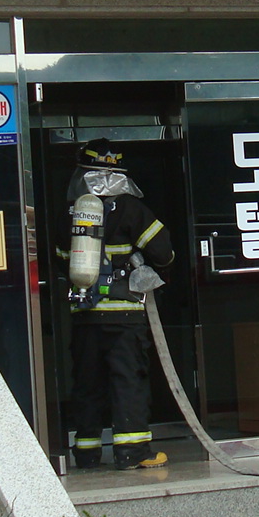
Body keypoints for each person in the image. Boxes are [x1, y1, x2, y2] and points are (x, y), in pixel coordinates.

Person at [57, 140, 174, 471]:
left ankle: (86, 453)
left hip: (84, 313)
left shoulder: (69, 213)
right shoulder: (130, 209)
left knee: (87, 383)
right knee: (127, 380)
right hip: (124, 315)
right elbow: (163, 253)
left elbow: (60, 260)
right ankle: (132, 452)